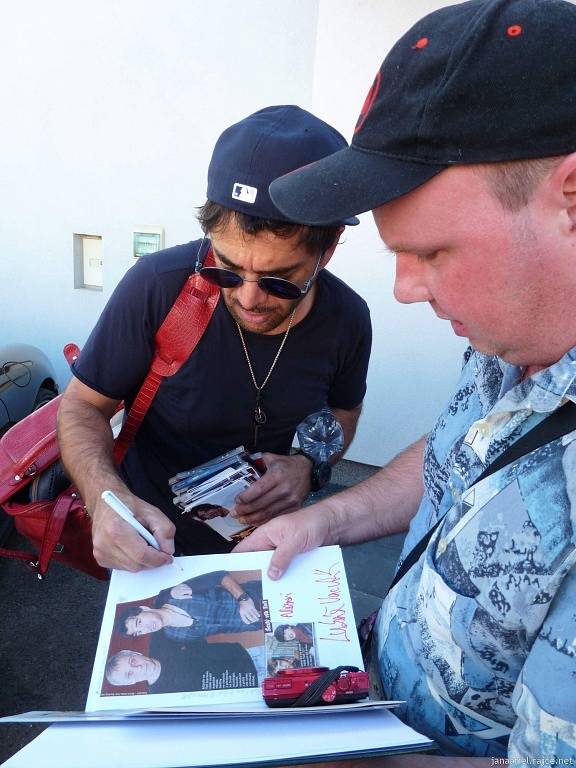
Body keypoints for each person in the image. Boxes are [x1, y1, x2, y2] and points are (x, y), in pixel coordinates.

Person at [236, 0, 576, 760]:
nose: (403, 290)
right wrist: (325, 522)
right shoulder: (513, 334)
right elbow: (465, 456)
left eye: (431, 251)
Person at [57, 105, 372, 571]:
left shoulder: (348, 318)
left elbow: (342, 412)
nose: (249, 298)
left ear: (327, 250)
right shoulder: (159, 286)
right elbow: (82, 406)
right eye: (226, 267)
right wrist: (108, 501)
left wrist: (309, 467)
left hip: (272, 549)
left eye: (279, 279)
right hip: (152, 545)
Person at [117, 570, 262, 641]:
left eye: (139, 622)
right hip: (259, 623)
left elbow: (220, 575)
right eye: (139, 631)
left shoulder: (177, 594)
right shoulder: (174, 636)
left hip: (257, 596)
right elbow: (220, 629)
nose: (145, 628)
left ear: (144, 609)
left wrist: (243, 599)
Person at [104, 640, 257, 693]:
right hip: (253, 688)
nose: (138, 668)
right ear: (130, 683)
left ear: (135, 652)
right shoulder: (160, 699)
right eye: (129, 675)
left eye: (132, 661)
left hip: (248, 655)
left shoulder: (161, 642)